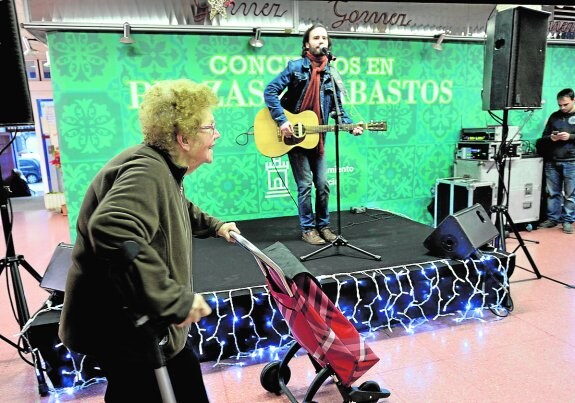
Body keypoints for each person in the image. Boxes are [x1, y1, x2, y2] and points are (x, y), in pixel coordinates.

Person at [58, 79, 240, 402]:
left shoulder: (161, 169)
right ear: (184, 138)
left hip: (138, 327)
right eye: (210, 127)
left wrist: (216, 225)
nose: (217, 134)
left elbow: (177, 207)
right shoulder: (148, 172)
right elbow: (112, 227)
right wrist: (173, 299)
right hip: (125, 329)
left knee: (183, 376)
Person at [264, 22, 363, 245]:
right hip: (294, 138)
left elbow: (338, 108)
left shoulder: (332, 74)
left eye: (324, 38)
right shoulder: (295, 68)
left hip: (317, 139)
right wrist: (282, 120)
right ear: (307, 43)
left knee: (323, 185)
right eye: (316, 38)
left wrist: (349, 126)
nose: (321, 42)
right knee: (305, 185)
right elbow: (270, 91)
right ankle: (308, 229)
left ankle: (324, 226)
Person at [536, 87, 575, 234]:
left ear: (573, 100)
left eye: (565, 104)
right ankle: (553, 218)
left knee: (571, 194)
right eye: (560, 105)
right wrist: (551, 138)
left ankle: (568, 221)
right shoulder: (554, 116)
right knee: (553, 193)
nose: (562, 107)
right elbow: (544, 136)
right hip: (552, 160)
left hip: (572, 161)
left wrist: (570, 137)